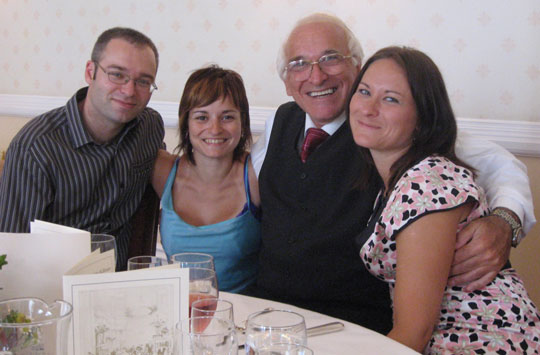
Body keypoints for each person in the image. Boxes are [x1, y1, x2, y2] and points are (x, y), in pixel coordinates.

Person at [249, 13, 535, 333]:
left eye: (331, 58)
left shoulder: (391, 130)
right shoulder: (278, 123)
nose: (316, 77)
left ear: (357, 67)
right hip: (270, 315)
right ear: (286, 81)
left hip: (355, 326)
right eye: (299, 63)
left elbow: (500, 166)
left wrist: (505, 221)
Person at [349, 45, 540, 354]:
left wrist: (506, 219)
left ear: (423, 118)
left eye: (390, 99)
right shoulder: (399, 179)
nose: (368, 109)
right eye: (364, 91)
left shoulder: (425, 184)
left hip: (483, 344)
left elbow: (414, 333)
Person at [0, 27, 164, 270]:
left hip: (126, 283)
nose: (129, 91)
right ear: (90, 72)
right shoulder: (35, 148)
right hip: (56, 290)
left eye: (143, 81)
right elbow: (14, 254)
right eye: (117, 74)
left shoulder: (149, 127)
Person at [151, 65, 261, 293]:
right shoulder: (161, 170)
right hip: (182, 313)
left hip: (244, 314)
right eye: (202, 117)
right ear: (186, 122)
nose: (214, 128)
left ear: (243, 122)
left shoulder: (255, 175)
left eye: (227, 117)